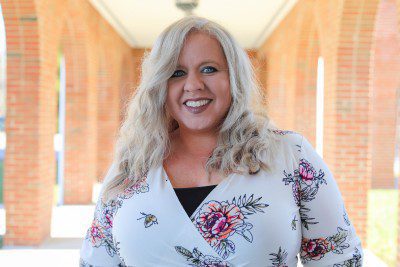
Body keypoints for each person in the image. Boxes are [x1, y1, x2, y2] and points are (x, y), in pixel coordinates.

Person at [79, 16, 363, 267]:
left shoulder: (289, 155)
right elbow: (96, 260)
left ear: (234, 78)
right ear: (159, 87)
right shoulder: (132, 165)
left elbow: (339, 258)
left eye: (209, 69)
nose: (193, 85)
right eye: (177, 73)